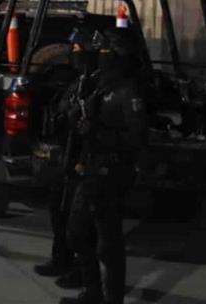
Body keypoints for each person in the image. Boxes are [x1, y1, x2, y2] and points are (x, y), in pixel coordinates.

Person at [62, 28, 146, 304]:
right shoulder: (101, 84)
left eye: (105, 51)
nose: (99, 56)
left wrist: (96, 131)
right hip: (91, 165)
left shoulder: (127, 91)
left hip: (111, 170)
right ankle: (92, 291)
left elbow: (136, 138)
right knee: (77, 231)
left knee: (108, 240)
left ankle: (111, 298)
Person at [34, 29, 94, 287]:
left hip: (84, 160)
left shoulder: (95, 84)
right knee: (59, 211)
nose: (72, 54)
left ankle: (83, 272)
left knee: (79, 222)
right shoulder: (76, 81)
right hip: (65, 156)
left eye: (78, 49)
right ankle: (61, 259)